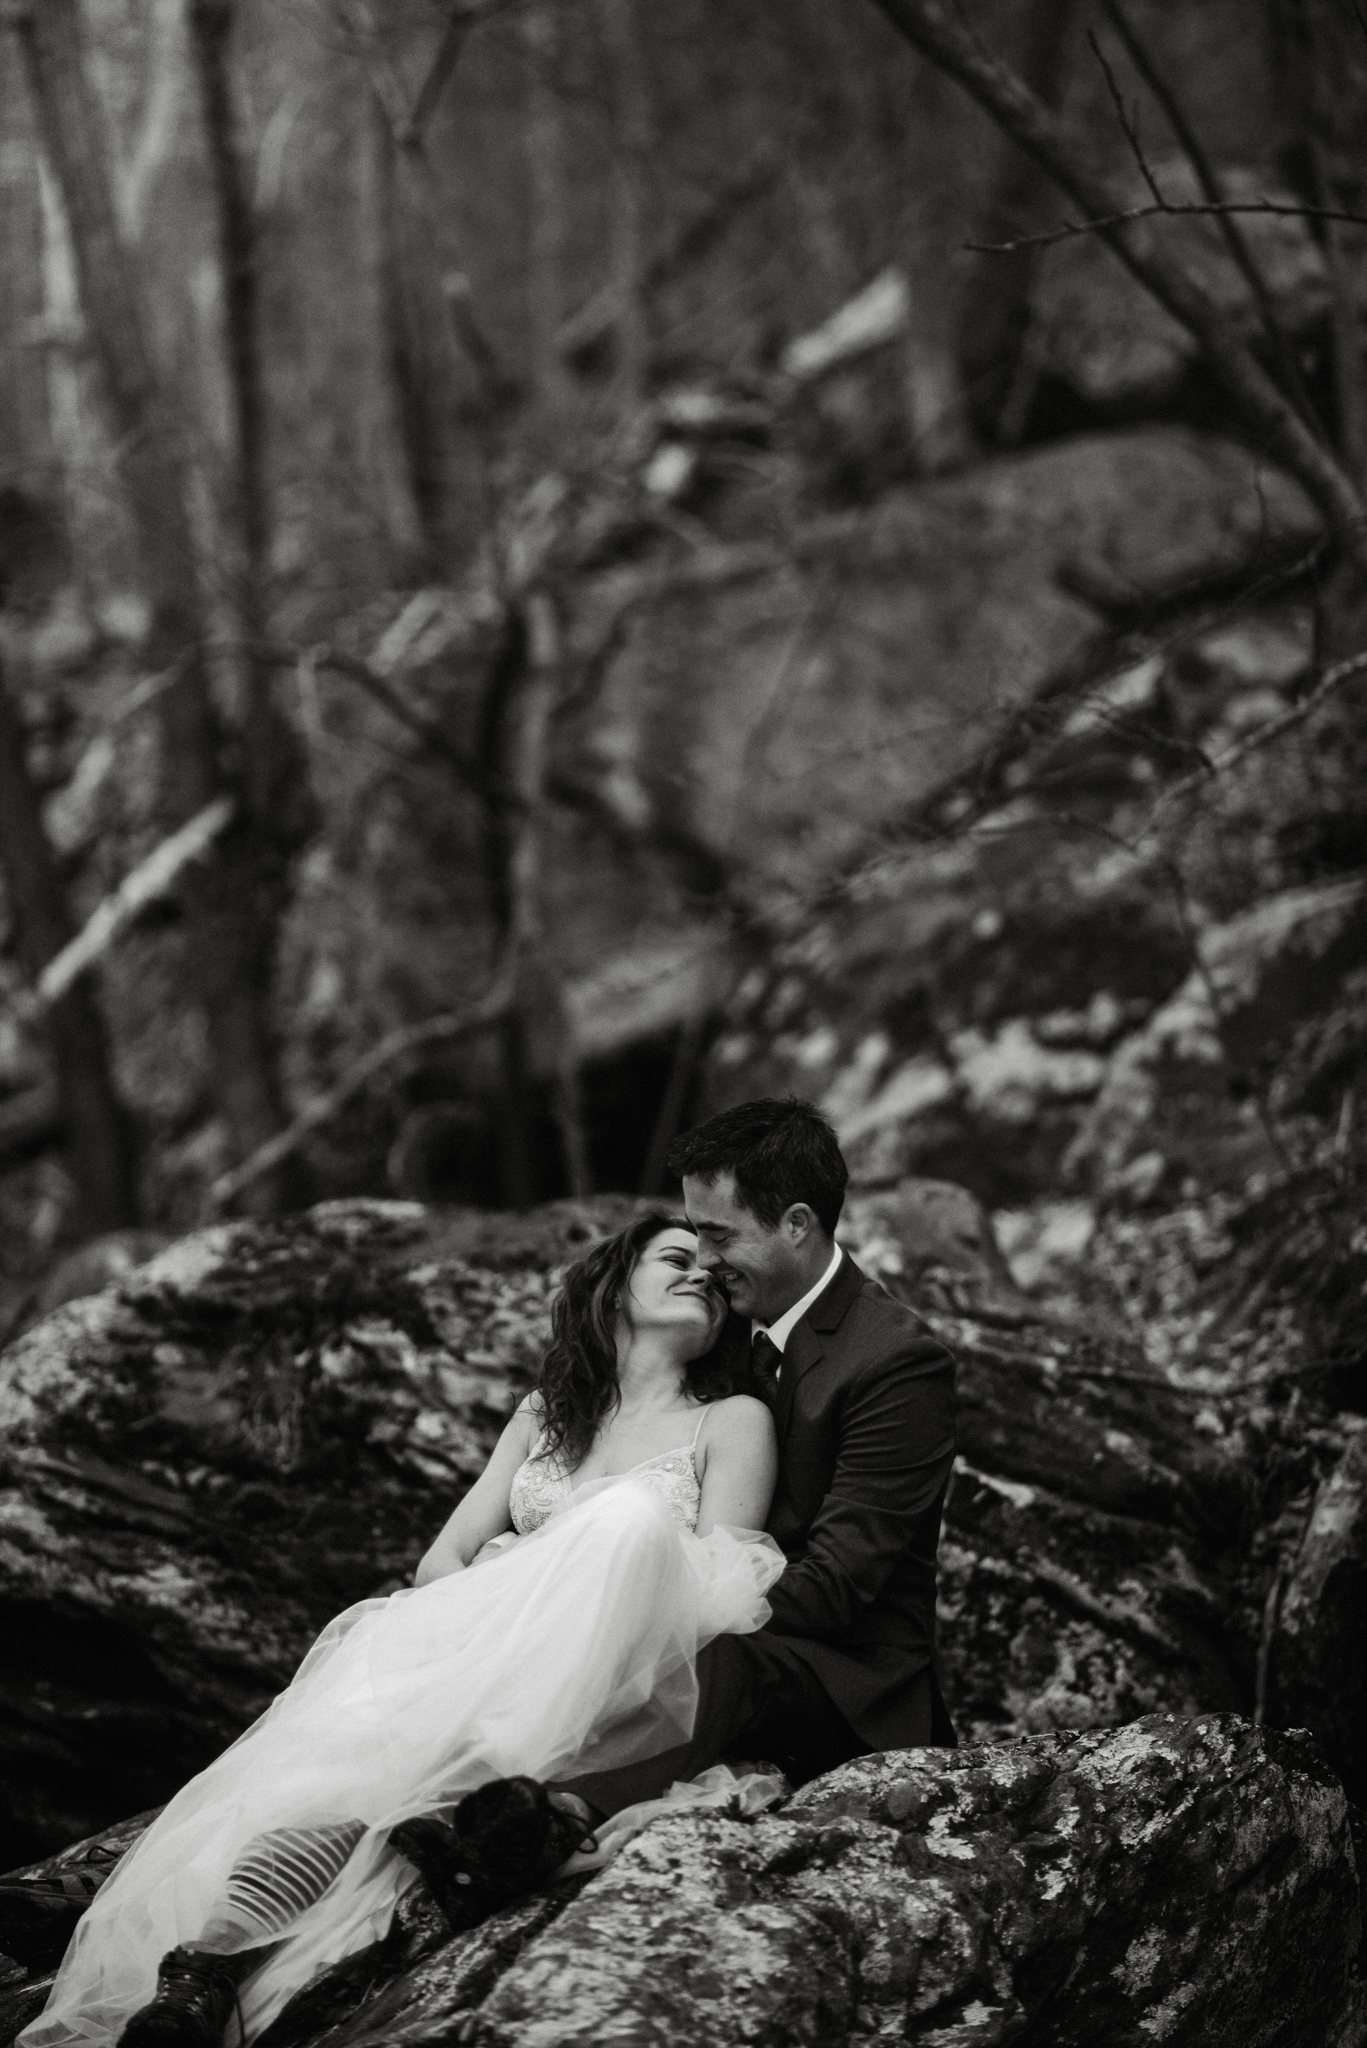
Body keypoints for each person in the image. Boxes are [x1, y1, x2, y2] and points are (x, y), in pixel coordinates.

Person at [15, 1216, 783, 2048]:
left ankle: (179, 1942)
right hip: (475, 1651)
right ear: (614, 1282)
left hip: (608, 1675)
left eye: (714, 1270)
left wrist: (567, 1561)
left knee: (628, 1523)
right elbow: (441, 1559)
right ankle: (201, 1970)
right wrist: (510, 1599)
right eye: (677, 1258)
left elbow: (724, 1585)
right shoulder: (544, 1417)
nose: (702, 1274)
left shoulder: (732, 1420)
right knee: (338, 1784)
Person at [559, 1096, 957, 1826]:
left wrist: (655, 1610)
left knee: (706, 1663)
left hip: (844, 1680)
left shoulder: (895, 1361)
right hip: (728, 1635)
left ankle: (559, 1814)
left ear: (796, 1224)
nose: (703, 1264)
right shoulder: (724, 1330)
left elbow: (838, 1584)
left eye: (718, 1236)